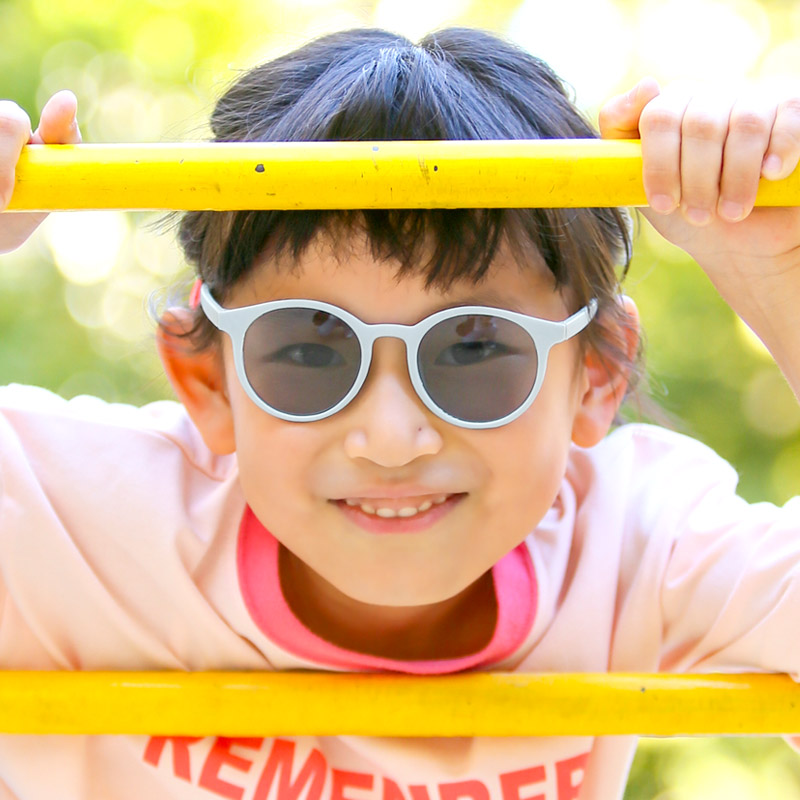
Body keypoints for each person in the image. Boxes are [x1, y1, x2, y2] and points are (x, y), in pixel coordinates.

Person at [1, 25, 799, 800]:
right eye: (310, 354)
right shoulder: (70, 519)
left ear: (597, 371)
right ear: (207, 383)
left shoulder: (636, 544)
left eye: (475, 350)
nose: (391, 437)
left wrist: (776, 272)